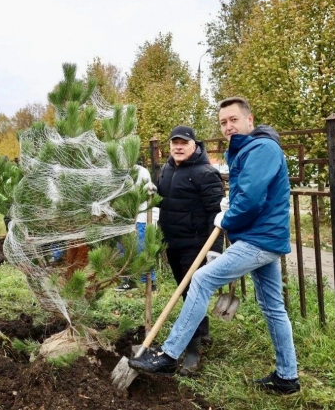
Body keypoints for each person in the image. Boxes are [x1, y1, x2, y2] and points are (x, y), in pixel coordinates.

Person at [129, 97, 300, 394]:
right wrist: (231, 205)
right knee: (273, 307)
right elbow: (246, 194)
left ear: (250, 119)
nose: (228, 127)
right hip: (263, 237)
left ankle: (169, 355)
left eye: (233, 120)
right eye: (223, 122)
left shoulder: (261, 148)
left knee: (202, 279)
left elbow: (251, 199)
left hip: (259, 239)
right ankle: (287, 377)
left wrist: (228, 216)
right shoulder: (248, 149)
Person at [152, 125, 225, 375]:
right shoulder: (167, 170)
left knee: (190, 298)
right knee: (187, 294)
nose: (178, 147)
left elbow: (217, 215)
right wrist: (151, 193)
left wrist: (213, 251)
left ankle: (192, 350)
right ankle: (202, 332)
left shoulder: (206, 173)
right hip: (173, 243)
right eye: (174, 143)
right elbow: (164, 201)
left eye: (184, 142)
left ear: (194, 145)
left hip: (195, 245)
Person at [115, 164, 158, 292]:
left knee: (141, 249)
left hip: (140, 217)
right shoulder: (115, 171)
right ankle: (128, 281)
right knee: (122, 249)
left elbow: (145, 194)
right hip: (122, 218)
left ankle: (150, 283)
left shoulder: (140, 171)